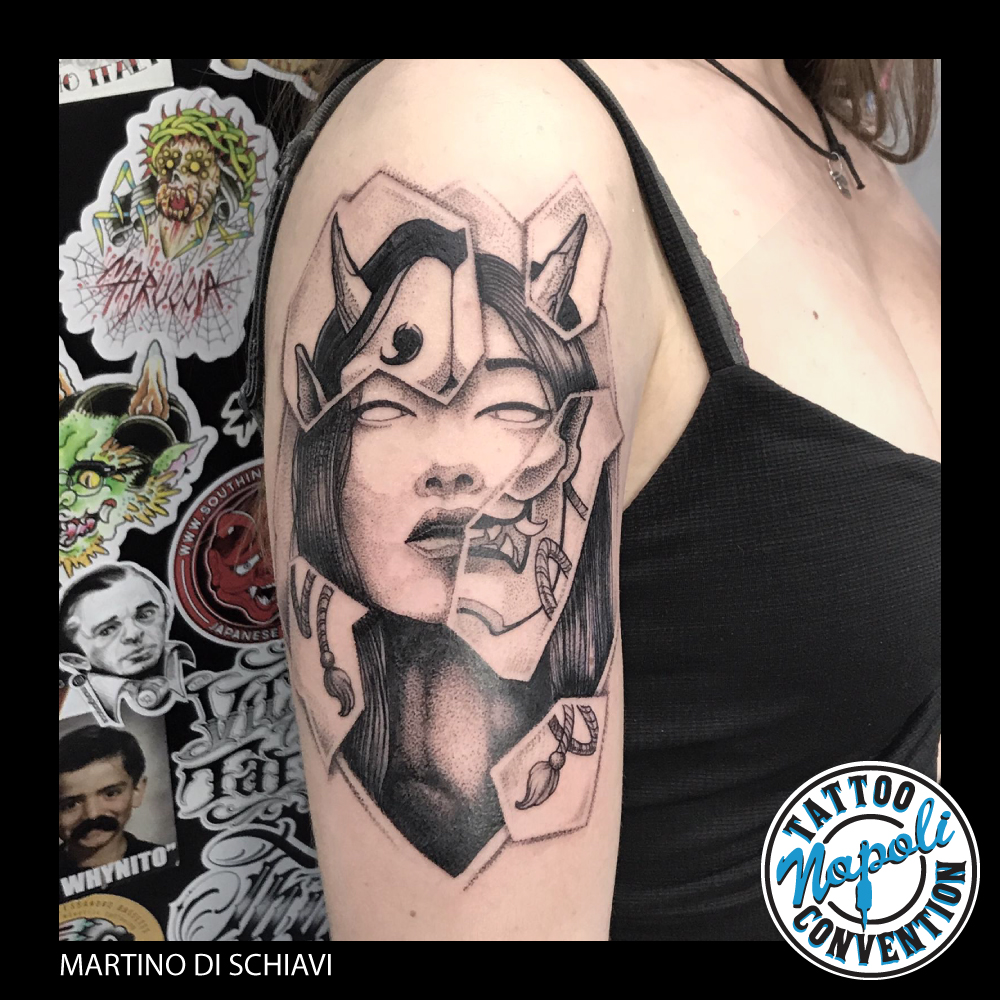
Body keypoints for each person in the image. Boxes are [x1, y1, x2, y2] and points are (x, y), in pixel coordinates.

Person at [244, 59, 940, 940]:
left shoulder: (811, 116)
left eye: (509, 407)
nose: (455, 465)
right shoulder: (482, 129)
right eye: (391, 406)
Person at [58, 564, 191, 725]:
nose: (133, 634)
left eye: (145, 614)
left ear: (167, 611)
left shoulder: (195, 662)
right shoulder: (69, 712)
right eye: (107, 630)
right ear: (76, 660)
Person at [58, 725, 159, 877]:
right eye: (70, 805)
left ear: (137, 791)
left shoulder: (168, 859)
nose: (92, 814)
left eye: (110, 794)